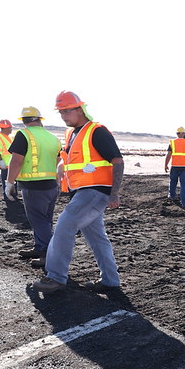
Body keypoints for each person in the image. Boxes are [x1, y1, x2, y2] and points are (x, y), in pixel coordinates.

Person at [33, 91, 124, 293]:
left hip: (94, 192)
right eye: (60, 112)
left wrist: (114, 193)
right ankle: (111, 280)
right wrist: (61, 168)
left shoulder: (97, 131)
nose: (63, 115)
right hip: (81, 192)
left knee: (64, 227)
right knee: (97, 238)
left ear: (79, 109)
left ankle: (55, 277)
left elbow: (117, 161)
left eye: (67, 111)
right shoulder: (71, 134)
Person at [6, 107, 62, 268]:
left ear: (23, 121)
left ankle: (50, 256)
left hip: (34, 187)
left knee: (38, 220)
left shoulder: (23, 134)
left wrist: (9, 183)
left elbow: (16, 161)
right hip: (51, 185)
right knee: (45, 220)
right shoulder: (53, 138)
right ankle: (40, 247)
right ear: (39, 119)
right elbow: (59, 159)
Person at [164, 126, 185, 207]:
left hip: (175, 166)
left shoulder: (173, 143)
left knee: (173, 182)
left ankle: (172, 197)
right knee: (184, 185)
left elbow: (168, 155)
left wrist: (166, 164)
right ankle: (184, 203)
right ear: (184, 133)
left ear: (178, 134)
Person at [0, 119, 15, 201]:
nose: (11, 129)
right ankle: (7, 197)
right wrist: (1, 162)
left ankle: (13, 196)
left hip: (11, 164)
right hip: (5, 164)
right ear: (5, 128)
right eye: (10, 127)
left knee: (12, 181)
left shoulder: (8, 138)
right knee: (6, 181)